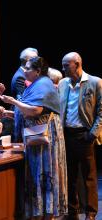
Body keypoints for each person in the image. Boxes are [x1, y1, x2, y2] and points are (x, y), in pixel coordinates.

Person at [0, 56, 67, 220]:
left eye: (28, 68)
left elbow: (36, 111)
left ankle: (47, 211)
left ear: (38, 71)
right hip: (36, 136)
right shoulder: (36, 84)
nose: (25, 71)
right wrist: (9, 112)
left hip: (44, 136)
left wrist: (14, 102)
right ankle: (40, 212)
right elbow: (27, 110)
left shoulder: (43, 84)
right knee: (38, 172)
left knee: (45, 172)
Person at [59, 52, 102, 220]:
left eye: (66, 65)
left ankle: (91, 213)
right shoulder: (63, 84)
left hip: (84, 135)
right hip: (67, 134)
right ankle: (72, 211)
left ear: (77, 64)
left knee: (89, 176)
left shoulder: (95, 82)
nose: (63, 69)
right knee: (69, 175)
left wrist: (92, 134)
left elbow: (101, 111)